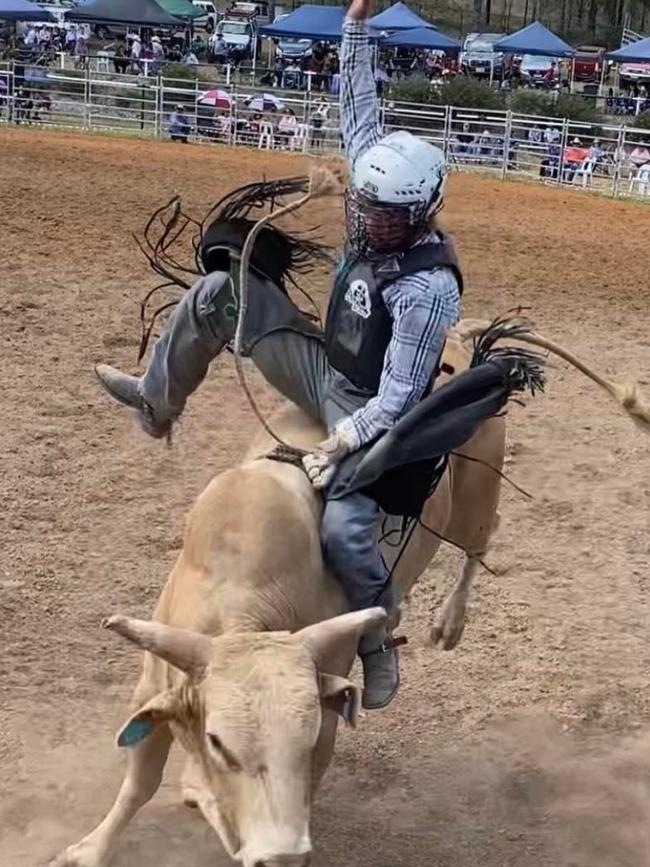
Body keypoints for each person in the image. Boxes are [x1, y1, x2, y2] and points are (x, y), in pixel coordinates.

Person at [94, 0, 462, 711]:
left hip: (371, 409)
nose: (367, 220)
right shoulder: (377, 189)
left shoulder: (428, 288)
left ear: (418, 214)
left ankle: (377, 644)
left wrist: (344, 437)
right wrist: (355, 26)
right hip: (328, 364)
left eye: (383, 216)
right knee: (215, 295)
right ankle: (154, 399)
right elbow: (358, 105)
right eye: (365, 206)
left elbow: (401, 393)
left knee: (348, 529)